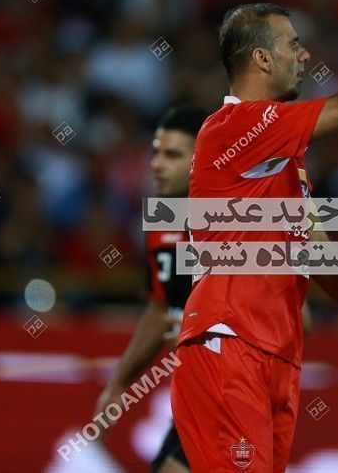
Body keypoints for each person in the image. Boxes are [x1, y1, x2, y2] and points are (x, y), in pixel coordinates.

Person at [171, 0, 338, 473]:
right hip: (230, 338)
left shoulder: (279, 157)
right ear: (261, 59)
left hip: (276, 352)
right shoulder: (235, 127)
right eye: (293, 44)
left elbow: (315, 251)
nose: (305, 54)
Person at [92, 104, 207, 473]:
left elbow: (299, 319)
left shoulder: (238, 222)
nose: (156, 164)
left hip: (236, 393)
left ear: (203, 160)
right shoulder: (163, 217)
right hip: (196, 396)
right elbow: (160, 310)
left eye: (172, 155)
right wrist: (117, 386)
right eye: (155, 153)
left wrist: (209, 330)